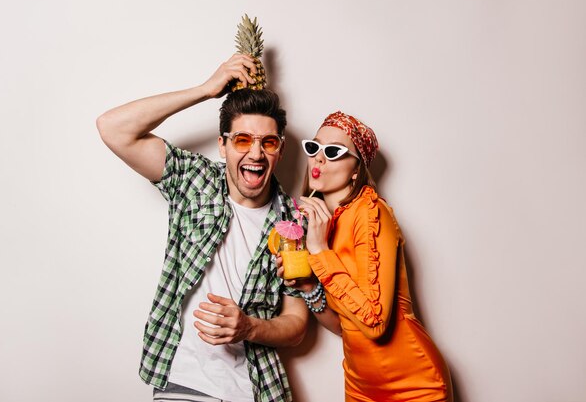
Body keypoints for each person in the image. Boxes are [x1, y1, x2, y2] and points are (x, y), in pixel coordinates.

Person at [97, 54, 309, 402]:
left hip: (257, 390)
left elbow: (297, 325)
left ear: (280, 150)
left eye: (268, 142)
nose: (256, 153)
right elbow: (112, 127)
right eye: (242, 139)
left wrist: (249, 326)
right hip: (185, 381)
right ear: (222, 145)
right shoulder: (195, 180)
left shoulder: (293, 221)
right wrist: (205, 90)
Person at [278, 111, 453, 401]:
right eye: (314, 147)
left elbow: (375, 323)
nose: (319, 159)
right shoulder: (322, 222)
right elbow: (346, 326)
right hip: (361, 387)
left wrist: (320, 251)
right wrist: (309, 287)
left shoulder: (371, 213)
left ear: (356, 169)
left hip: (416, 386)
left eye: (333, 151)